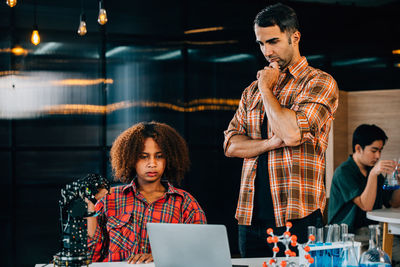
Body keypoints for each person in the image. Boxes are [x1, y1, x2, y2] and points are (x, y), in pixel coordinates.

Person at [223, 3, 339, 257]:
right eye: (261, 44)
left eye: (273, 41)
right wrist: (269, 143)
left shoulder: (319, 82)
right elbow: (231, 145)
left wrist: (266, 88)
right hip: (250, 219)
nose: (267, 51)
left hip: (298, 217)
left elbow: (291, 133)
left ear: (294, 37)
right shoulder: (250, 91)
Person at [86, 122, 207, 264]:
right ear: (130, 159)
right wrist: (90, 205)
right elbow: (91, 256)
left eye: (159, 156)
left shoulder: (185, 202)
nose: (152, 163)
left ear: (169, 159)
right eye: (144, 156)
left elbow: (201, 253)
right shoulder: (109, 198)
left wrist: (161, 257)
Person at [328, 124, 400, 241]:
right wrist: (373, 174)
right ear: (358, 149)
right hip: (348, 235)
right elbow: (366, 205)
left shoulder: (371, 170)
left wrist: (398, 181)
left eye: (380, 151)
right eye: (374, 150)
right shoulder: (344, 172)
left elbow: (393, 203)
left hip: (372, 232)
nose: (378, 156)